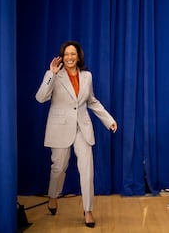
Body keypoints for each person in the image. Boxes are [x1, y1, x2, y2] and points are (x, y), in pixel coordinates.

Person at [35, 40, 117, 228]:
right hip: (60, 127)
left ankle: (88, 210)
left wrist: (109, 120)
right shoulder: (55, 75)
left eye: (73, 54)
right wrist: (51, 74)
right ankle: (53, 196)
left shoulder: (87, 76)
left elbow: (92, 101)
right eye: (66, 54)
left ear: (79, 56)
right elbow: (40, 98)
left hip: (82, 127)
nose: (70, 57)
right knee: (59, 167)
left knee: (87, 169)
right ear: (62, 57)